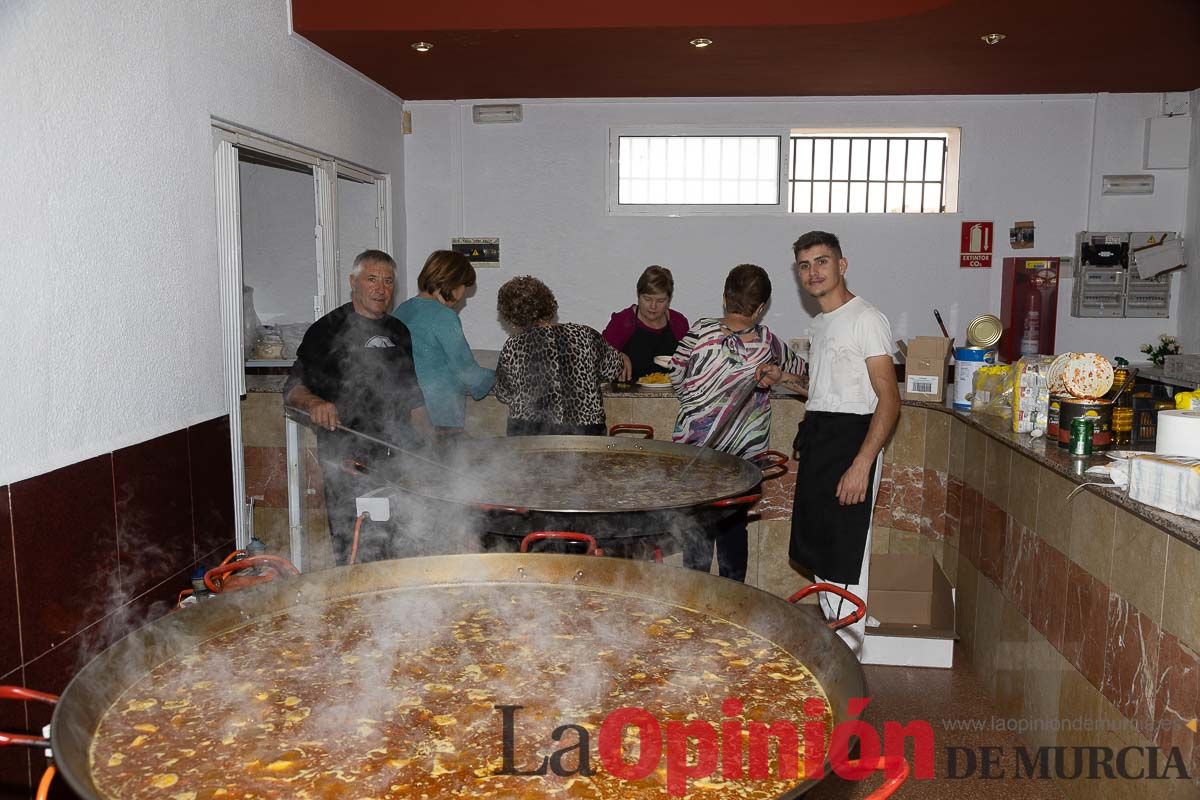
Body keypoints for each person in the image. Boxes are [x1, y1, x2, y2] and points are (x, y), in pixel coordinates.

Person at [775, 230, 900, 658]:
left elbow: (889, 398)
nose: (813, 272)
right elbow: (827, 390)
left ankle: (852, 656)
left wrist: (862, 463)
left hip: (853, 443)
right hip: (820, 438)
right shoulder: (821, 323)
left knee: (846, 556)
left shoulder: (867, 319)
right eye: (805, 265)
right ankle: (840, 640)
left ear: (842, 265)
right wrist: (784, 380)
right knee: (820, 551)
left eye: (821, 262)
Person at [284, 249, 432, 565]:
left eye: (388, 281)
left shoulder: (399, 331)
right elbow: (292, 388)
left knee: (401, 544)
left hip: (398, 459)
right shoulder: (326, 330)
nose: (381, 288)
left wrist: (427, 450)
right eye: (372, 279)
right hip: (348, 462)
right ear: (353, 282)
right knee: (356, 547)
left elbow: (414, 398)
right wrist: (316, 403)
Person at [669, 264, 804, 582]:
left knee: (697, 529)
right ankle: (733, 602)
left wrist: (696, 399)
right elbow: (803, 376)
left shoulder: (700, 331)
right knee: (733, 528)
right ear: (760, 308)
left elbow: (675, 372)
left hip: (695, 456)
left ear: (724, 298)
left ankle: (694, 600)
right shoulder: (768, 343)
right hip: (742, 462)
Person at [494, 275, 630, 436]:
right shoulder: (586, 335)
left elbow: (503, 393)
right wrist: (622, 357)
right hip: (585, 435)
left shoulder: (513, 346)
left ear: (512, 318)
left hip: (530, 434)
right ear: (548, 302)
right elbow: (613, 369)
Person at [393, 250, 495, 437]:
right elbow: (467, 371)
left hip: (404, 414)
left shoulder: (402, 310)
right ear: (453, 282)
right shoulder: (444, 317)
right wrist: (498, 376)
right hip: (439, 419)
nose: (463, 294)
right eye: (464, 285)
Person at [602, 265, 690, 380]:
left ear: (669, 300)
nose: (653, 306)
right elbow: (600, 355)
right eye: (647, 299)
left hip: (671, 396)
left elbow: (690, 364)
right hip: (626, 395)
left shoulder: (678, 323)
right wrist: (616, 356)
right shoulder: (623, 322)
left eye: (660, 300)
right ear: (638, 295)